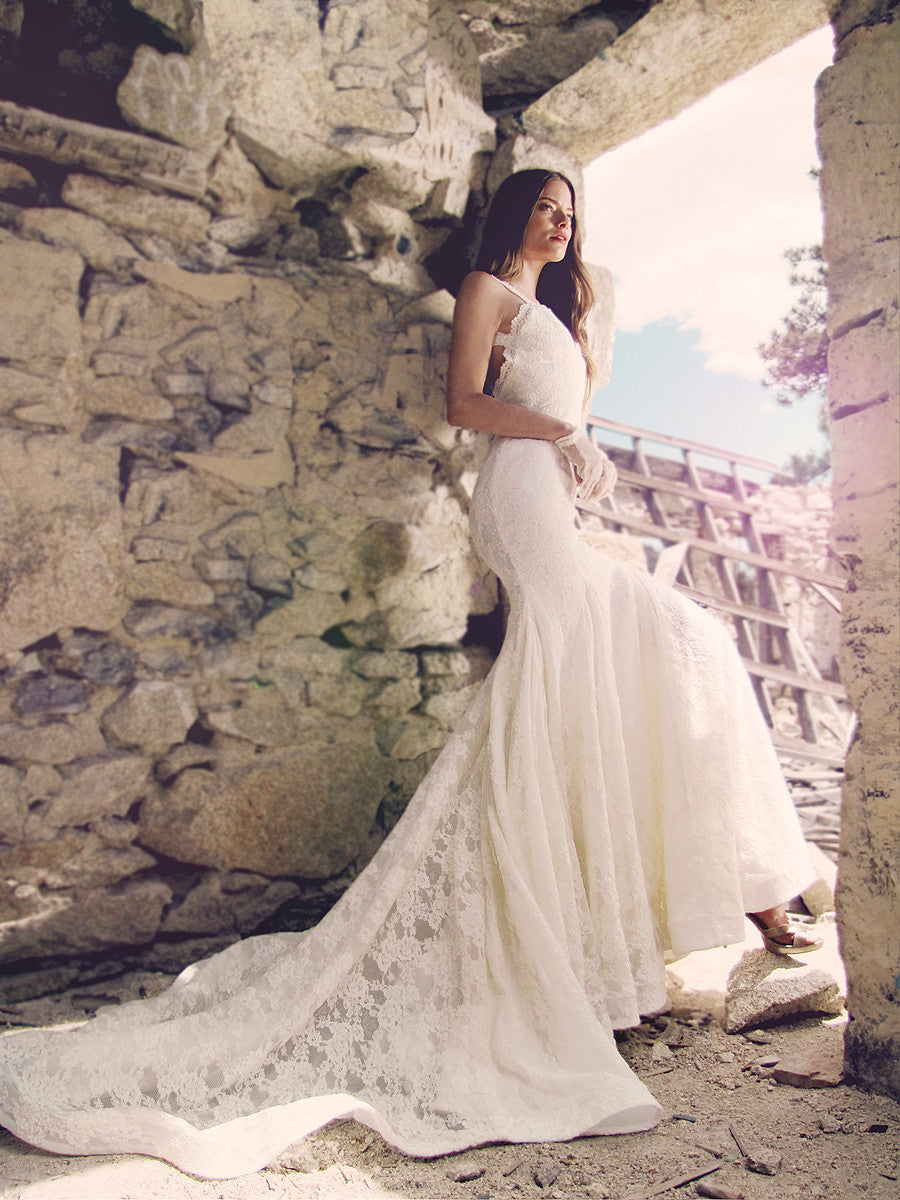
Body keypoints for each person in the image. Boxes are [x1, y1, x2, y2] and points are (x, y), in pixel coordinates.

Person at [0, 169, 820, 1181]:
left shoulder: (558, 306)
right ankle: (676, 916)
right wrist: (563, 436)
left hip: (555, 503)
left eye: (571, 211)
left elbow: (559, 401)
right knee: (633, 650)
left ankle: (670, 917)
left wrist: (578, 439)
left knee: (653, 653)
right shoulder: (488, 289)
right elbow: (466, 401)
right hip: (517, 500)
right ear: (512, 212)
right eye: (544, 206)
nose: (559, 223)